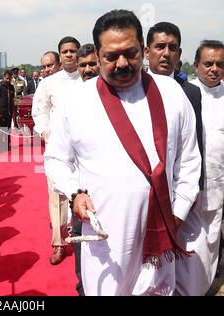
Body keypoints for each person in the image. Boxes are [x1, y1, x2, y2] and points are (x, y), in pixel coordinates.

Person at [44, 9, 201, 296]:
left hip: (161, 235)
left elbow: (189, 162)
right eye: (111, 56)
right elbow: (56, 159)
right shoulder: (76, 100)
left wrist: (175, 216)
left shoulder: (171, 93)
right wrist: (75, 193)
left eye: (130, 53)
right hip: (105, 239)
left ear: (142, 49)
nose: (122, 63)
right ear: (99, 54)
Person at [176, 40, 224, 296]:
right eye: (208, 63)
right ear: (196, 65)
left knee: (212, 245)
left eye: (220, 64)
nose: (214, 69)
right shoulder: (186, 94)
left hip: (218, 187)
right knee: (191, 249)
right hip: (190, 190)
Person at [32, 36, 82, 268]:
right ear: (60, 56)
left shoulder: (89, 77)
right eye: (65, 51)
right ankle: (59, 244)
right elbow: (39, 111)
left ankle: (86, 238)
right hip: (57, 147)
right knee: (57, 196)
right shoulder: (48, 83)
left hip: (85, 147)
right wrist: (44, 131)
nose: (69, 54)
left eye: (73, 51)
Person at [145, 21, 204, 190]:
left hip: (177, 187)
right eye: (160, 47)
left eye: (172, 48)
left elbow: (195, 144)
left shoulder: (191, 92)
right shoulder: (132, 88)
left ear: (179, 54)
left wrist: (194, 188)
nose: (166, 53)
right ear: (147, 52)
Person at [0, 70, 15, 152]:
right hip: (0, 111)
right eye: (7, 78)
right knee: (1, 129)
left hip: (9, 112)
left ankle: (7, 144)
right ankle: (1, 145)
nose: (8, 80)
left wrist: (13, 112)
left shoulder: (11, 87)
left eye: (10, 79)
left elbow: (12, 100)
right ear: (4, 77)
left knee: (8, 128)